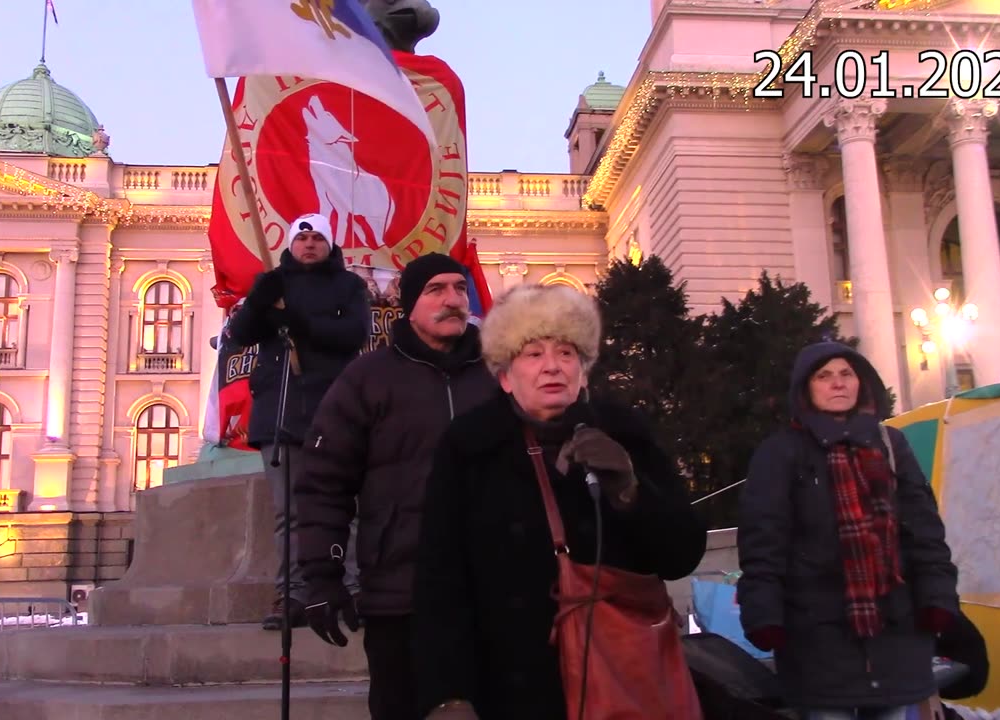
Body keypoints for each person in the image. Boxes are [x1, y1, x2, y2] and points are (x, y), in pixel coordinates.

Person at [411, 284, 708, 720]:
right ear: (507, 376)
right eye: (533, 353)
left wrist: (630, 490)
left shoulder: (625, 432)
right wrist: (448, 695)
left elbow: (682, 554)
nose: (552, 366)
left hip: (622, 679)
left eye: (566, 353)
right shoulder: (469, 446)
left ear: (584, 372)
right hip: (511, 688)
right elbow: (440, 578)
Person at [295, 252, 500, 720]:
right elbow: (324, 482)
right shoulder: (367, 379)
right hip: (400, 592)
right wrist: (323, 576)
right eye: (436, 290)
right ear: (409, 305)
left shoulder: (499, 375)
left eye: (459, 289)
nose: (452, 300)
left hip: (493, 590)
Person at [737, 341, 959, 719]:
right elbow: (764, 540)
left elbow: (924, 532)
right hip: (818, 637)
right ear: (806, 388)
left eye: (846, 374)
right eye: (824, 376)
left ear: (861, 383)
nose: (837, 384)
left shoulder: (890, 443)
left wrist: (937, 598)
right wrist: (764, 614)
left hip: (896, 633)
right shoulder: (781, 452)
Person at [226, 213, 370, 630]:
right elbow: (241, 334)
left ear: (330, 244)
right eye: (302, 237)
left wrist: (300, 323)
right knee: (288, 513)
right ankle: (291, 593)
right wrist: (259, 301)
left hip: (335, 410)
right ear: (291, 244)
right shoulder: (273, 286)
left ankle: (352, 586)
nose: (309, 244)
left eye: (317, 237)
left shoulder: (349, 286)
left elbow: (354, 334)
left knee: (347, 505)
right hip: (281, 410)